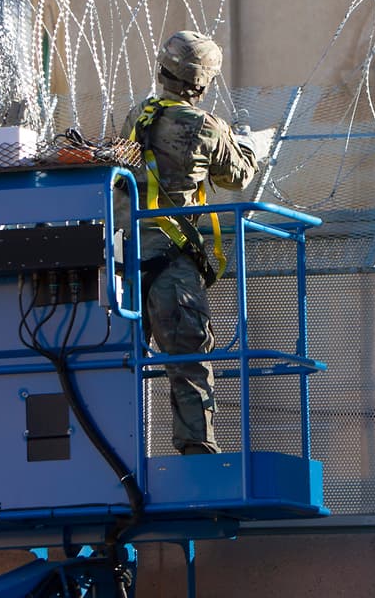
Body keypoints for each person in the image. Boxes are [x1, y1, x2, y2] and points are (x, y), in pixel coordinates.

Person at [122, 30, 273, 455]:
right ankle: (197, 455)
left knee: (118, 363)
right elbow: (236, 176)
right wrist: (249, 146)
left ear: (162, 70)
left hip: (127, 259)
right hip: (172, 266)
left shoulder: (139, 115)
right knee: (188, 361)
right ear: (202, 84)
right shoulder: (204, 126)